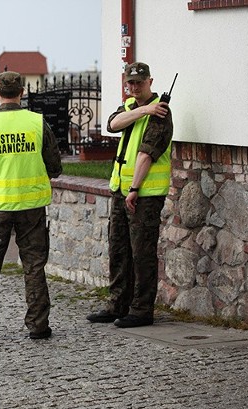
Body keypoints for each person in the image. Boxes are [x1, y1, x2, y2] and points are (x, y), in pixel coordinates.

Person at [0, 71, 62, 342]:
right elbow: (54, 167)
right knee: (34, 266)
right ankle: (38, 325)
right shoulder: (37, 123)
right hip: (32, 206)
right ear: (22, 93)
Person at [87, 62, 173, 328]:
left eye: (139, 82)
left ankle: (142, 309)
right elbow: (112, 124)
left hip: (144, 194)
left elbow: (146, 154)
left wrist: (134, 189)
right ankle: (117, 304)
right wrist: (143, 109)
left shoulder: (161, 113)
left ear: (150, 81)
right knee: (119, 249)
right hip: (121, 191)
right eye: (130, 83)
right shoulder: (132, 108)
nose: (134, 87)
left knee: (142, 253)